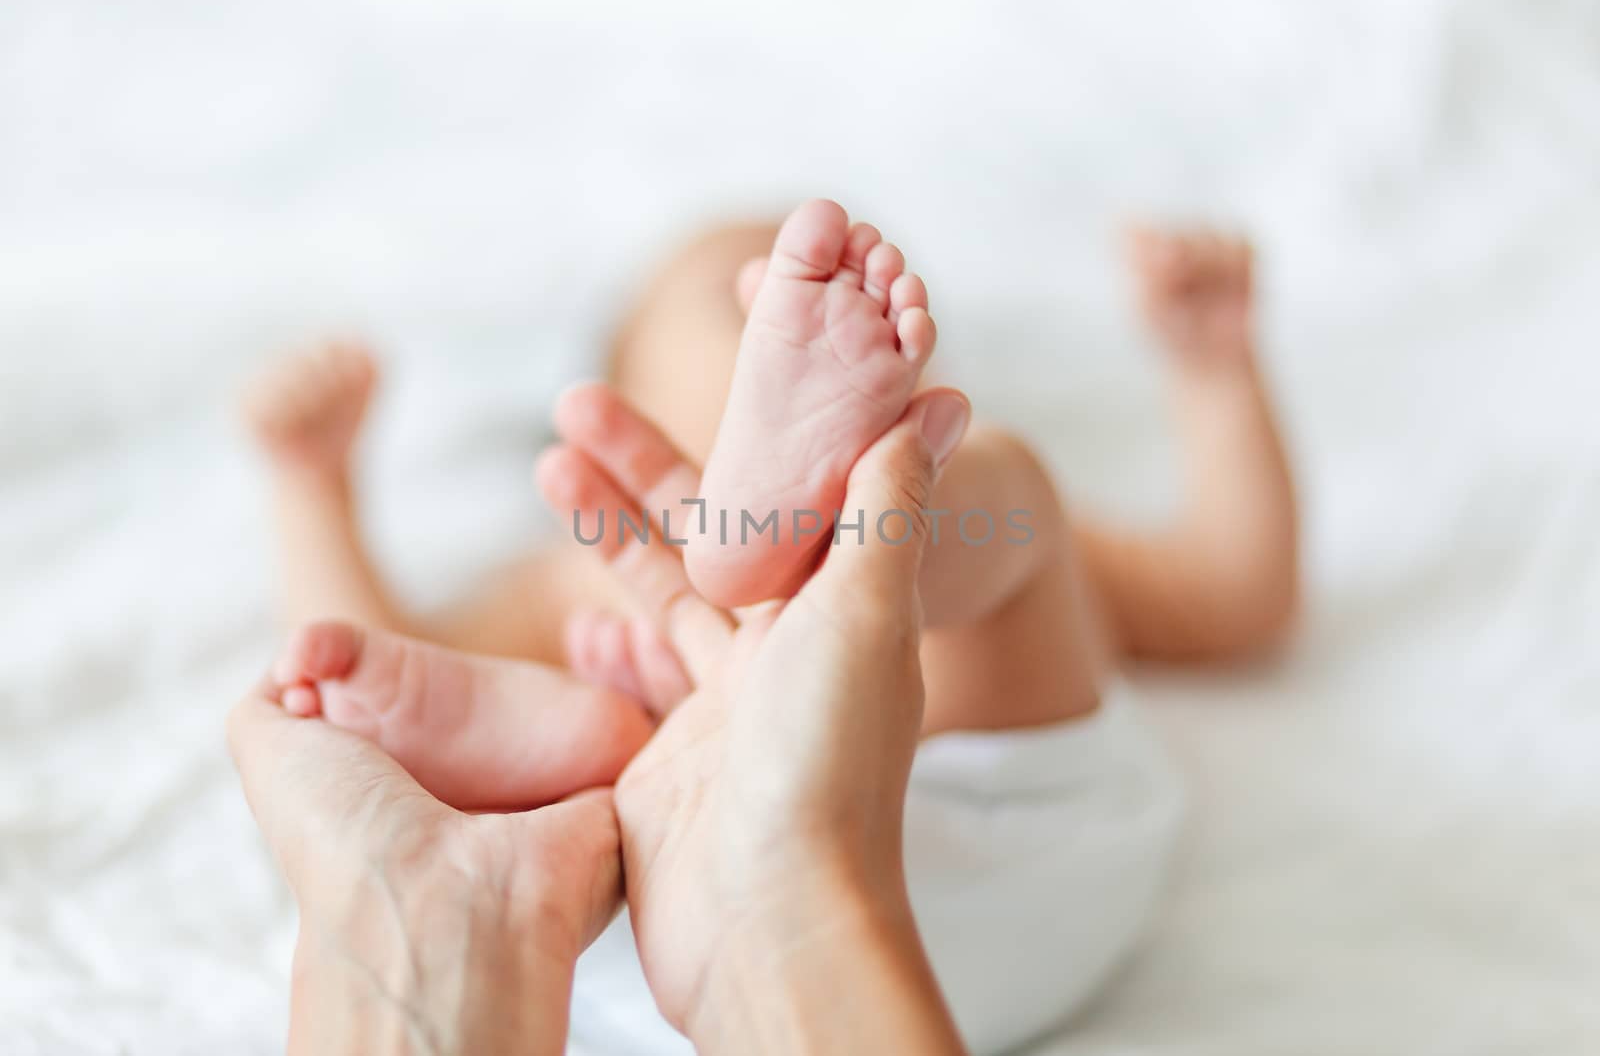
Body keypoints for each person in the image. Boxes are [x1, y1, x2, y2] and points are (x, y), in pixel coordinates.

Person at [243, 200, 1297, 1051]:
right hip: (745, 917)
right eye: (738, 306)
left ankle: (788, 586)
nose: (795, 307)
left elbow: (1229, 596)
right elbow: (353, 678)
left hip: (961, 829)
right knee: (1009, 500)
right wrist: (313, 485)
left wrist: (1212, 372)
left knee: (1000, 497)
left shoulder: (959, 504)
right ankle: (621, 733)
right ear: (623, 391)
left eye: (863, 318)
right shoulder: (576, 570)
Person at [231, 398, 971, 1054]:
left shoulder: (592, 576)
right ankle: (604, 747)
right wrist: (314, 483)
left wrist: (309, 493)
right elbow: (370, 684)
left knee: (1002, 527)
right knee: (1008, 535)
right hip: (735, 902)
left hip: (638, 951)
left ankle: (600, 746)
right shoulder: (581, 568)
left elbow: (330, 682)